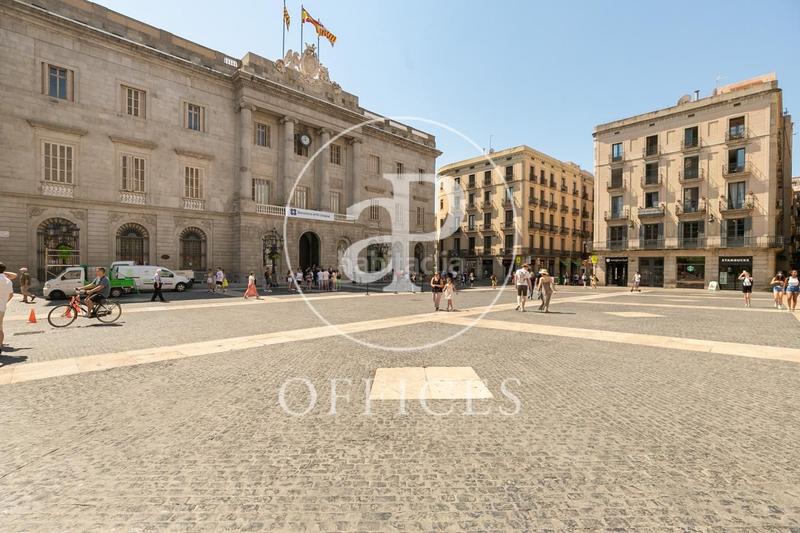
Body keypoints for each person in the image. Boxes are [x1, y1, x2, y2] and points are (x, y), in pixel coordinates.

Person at [0, 263, 17, 356]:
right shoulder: (8, 281)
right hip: (2, 307)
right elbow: (11, 295)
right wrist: (4, 302)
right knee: (0, 327)